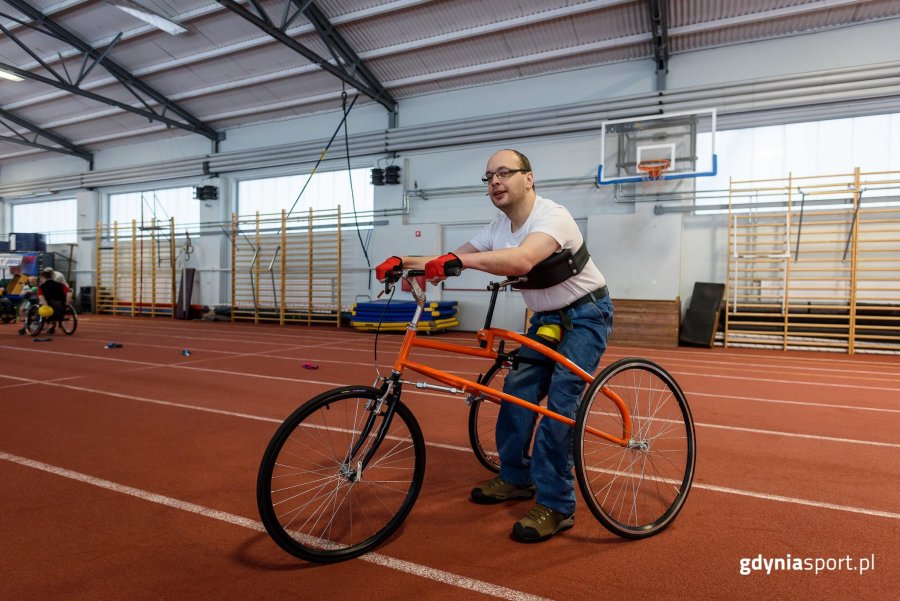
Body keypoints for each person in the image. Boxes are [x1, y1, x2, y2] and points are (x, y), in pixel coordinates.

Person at [375, 149, 613, 543]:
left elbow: (521, 260)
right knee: (516, 392)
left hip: (587, 316)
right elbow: (451, 258)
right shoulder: (496, 229)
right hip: (546, 321)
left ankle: (557, 504)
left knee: (559, 407)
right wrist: (405, 261)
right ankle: (516, 478)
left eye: (504, 173)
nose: (495, 182)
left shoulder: (553, 217)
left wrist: (459, 263)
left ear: (529, 179)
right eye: (488, 177)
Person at [37, 270, 70, 335]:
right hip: (61, 307)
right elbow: (69, 295)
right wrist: (67, 305)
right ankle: (56, 325)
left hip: (49, 309)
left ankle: (42, 325)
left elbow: (41, 298)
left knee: (39, 306)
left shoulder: (41, 287)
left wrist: (46, 307)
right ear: (52, 277)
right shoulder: (62, 285)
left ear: (43, 278)